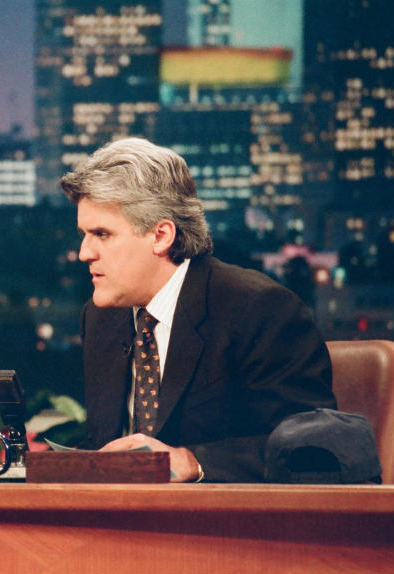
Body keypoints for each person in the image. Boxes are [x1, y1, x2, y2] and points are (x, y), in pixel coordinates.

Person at [60, 138, 337, 482]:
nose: (85, 252)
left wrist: (193, 462)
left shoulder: (258, 309)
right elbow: (110, 443)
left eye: (102, 234)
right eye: (84, 234)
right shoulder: (102, 317)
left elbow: (314, 451)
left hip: (228, 528)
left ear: (161, 236)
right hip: (123, 524)